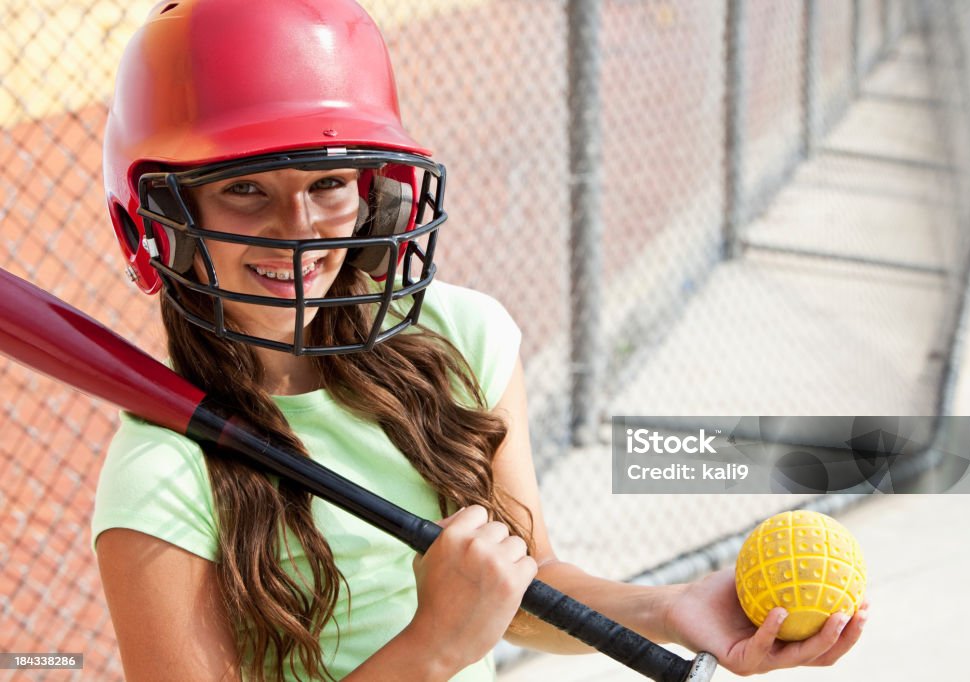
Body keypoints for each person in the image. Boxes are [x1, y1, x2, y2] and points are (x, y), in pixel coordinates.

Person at [91, 1, 869, 680]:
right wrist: (431, 648)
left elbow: (521, 594)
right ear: (159, 215)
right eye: (244, 188)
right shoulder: (162, 475)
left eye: (327, 184)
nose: (300, 232)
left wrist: (669, 609)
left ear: (370, 193)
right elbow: (458, 630)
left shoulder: (458, 338)